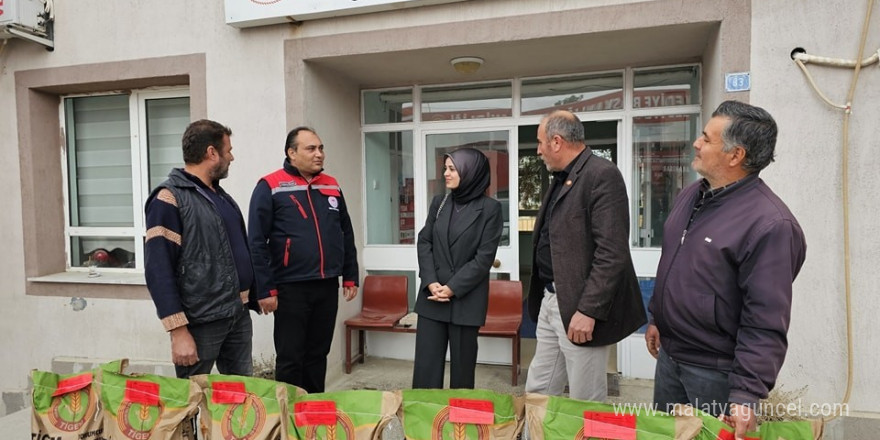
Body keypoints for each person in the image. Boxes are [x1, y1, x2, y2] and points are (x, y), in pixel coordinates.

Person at [646, 100, 807, 439]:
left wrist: (746, 394)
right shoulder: (692, 195)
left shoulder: (770, 224)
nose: (696, 143)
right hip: (671, 360)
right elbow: (675, 264)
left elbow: (765, 318)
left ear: (736, 155)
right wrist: (657, 318)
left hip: (716, 374)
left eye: (706, 138)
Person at [525, 110, 646, 402]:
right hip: (551, 300)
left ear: (556, 141)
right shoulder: (560, 178)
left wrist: (589, 310)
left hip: (580, 309)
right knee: (539, 391)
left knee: (585, 400)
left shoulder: (601, 174)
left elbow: (612, 251)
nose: (538, 150)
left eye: (540, 142)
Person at [145, 119, 274, 379]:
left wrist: (257, 292)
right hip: (201, 322)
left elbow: (236, 250)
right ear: (211, 153)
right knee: (189, 401)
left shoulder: (220, 196)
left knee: (239, 398)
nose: (232, 157)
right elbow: (158, 268)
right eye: (228, 151)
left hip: (236, 314)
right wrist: (178, 330)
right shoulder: (168, 198)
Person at [248, 126, 359, 393]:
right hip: (289, 287)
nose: (319, 154)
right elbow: (255, 241)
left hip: (326, 284)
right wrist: (265, 288)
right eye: (311, 149)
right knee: (290, 359)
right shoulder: (270, 186)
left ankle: (313, 414)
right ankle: (289, 420)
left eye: (321, 148)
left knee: (317, 355)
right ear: (291, 153)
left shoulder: (331, 184)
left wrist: (350, 275)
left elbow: (345, 231)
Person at [412, 148, 503, 389]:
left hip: (465, 300)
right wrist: (431, 280)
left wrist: (452, 288)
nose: (445, 174)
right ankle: (424, 421)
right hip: (433, 298)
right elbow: (425, 241)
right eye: (445, 168)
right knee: (425, 371)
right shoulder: (439, 203)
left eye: (452, 169)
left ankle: (460, 423)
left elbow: (483, 258)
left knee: (462, 376)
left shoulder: (490, 209)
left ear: (470, 172)